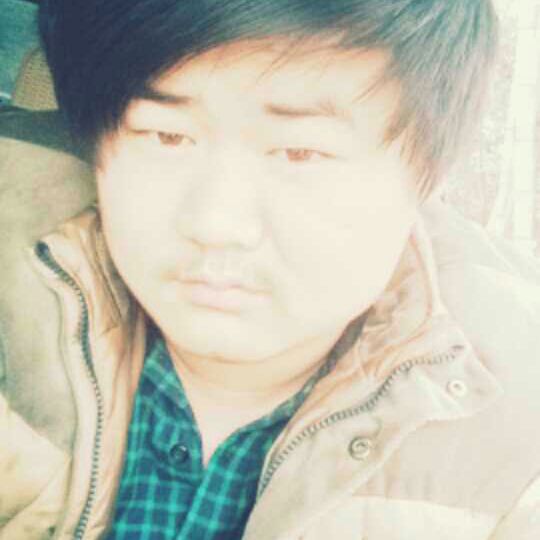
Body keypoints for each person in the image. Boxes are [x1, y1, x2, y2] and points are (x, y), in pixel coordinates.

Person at [1, 0, 540, 538]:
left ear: (426, 177)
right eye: (167, 136)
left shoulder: (517, 453)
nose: (216, 224)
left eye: (299, 153)